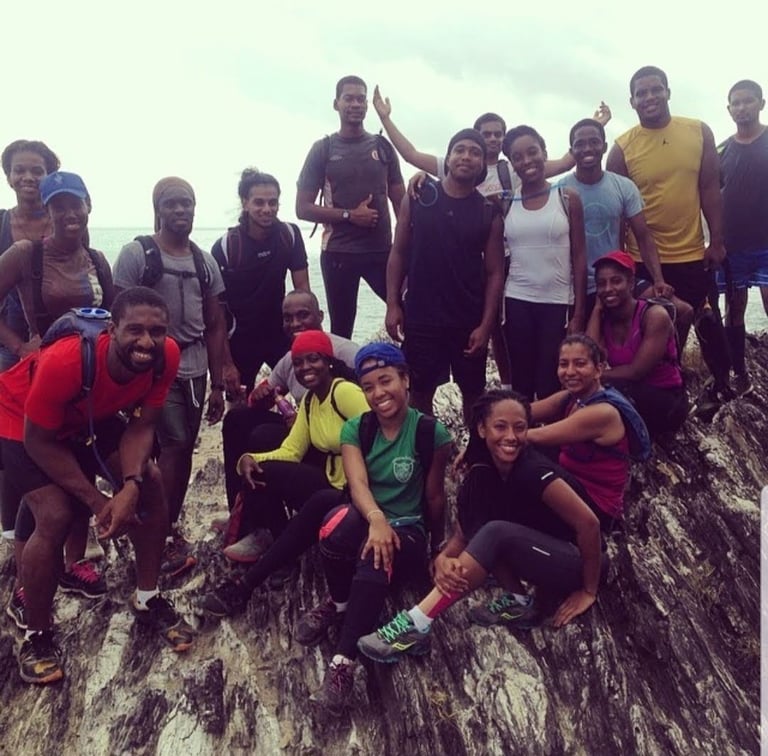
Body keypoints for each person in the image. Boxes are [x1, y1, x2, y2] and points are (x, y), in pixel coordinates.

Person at [0, 286, 195, 684]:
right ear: (112, 329)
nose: (146, 341)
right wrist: (97, 501)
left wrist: (131, 485)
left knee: (152, 481)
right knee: (54, 513)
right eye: (134, 330)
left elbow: (142, 425)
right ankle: (37, 634)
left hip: (88, 412)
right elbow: (39, 440)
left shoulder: (166, 356)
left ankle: (147, 597)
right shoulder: (66, 361)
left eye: (157, 331)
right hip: (20, 421)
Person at [356, 388, 606, 663]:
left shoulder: (532, 471)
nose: (511, 437)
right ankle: (520, 603)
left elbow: (589, 524)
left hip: (579, 561)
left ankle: (416, 624)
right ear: (482, 429)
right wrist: (444, 559)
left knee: (496, 531)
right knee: (487, 528)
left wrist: (588, 590)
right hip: (541, 552)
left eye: (520, 428)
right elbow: (467, 532)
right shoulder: (483, 471)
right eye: (500, 427)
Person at [294, 343, 452, 714]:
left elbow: (434, 498)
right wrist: (377, 520)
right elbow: (358, 484)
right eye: (369, 386)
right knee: (335, 529)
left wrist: (437, 548)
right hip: (369, 518)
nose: (379, 393)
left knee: (375, 552)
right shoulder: (357, 429)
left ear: (405, 379)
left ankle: (342, 665)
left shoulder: (431, 432)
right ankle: (340, 602)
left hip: (409, 532)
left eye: (386, 381)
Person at [0, 171, 115, 616]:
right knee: (47, 491)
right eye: (58, 206)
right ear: (46, 212)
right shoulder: (26, 255)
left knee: (79, 472)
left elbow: (113, 317)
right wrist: (17, 344)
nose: (69, 213)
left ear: (89, 205)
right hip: (38, 384)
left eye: (76, 204)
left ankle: (73, 563)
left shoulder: (98, 260)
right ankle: (30, 586)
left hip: (85, 390)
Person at [200, 329, 369, 616]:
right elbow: (291, 451)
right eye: (298, 363)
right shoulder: (312, 402)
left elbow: (377, 438)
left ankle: (248, 584)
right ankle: (272, 537)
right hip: (332, 480)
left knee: (315, 504)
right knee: (259, 471)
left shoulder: (345, 393)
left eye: (312, 360)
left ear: (328, 360)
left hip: (356, 489)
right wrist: (248, 459)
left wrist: (367, 496)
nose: (305, 369)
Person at [113, 177, 227, 578]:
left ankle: (165, 525)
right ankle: (149, 527)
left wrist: (220, 377)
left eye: (188, 204)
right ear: (159, 209)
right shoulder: (136, 254)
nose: (182, 211)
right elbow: (118, 320)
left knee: (180, 449)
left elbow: (215, 324)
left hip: (192, 368)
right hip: (148, 367)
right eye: (173, 204)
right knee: (161, 446)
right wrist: (121, 380)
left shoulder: (203, 260)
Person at [606, 66, 733, 411]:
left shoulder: (698, 132)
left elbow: (709, 188)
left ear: (667, 92)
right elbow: (616, 209)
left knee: (704, 319)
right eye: (641, 93)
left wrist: (717, 241)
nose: (649, 97)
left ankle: (721, 386)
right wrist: (618, 258)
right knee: (658, 322)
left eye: (655, 90)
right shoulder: (622, 147)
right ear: (631, 101)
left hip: (691, 252)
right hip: (641, 258)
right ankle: (663, 391)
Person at [218, 290, 360, 561]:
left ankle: (274, 533)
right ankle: (247, 520)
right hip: (302, 434)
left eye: (302, 315)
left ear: (320, 316)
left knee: (262, 436)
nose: (295, 323)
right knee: (237, 420)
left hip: (335, 451)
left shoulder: (347, 353)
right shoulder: (292, 358)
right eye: (287, 318)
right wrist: (259, 399)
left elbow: (369, 419)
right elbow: (265, 391)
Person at [385, 128, 505, 422]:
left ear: (483, 164)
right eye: (460, 150)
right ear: (448, 158)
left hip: (467, 319)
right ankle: (423, 454)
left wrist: (486, 325)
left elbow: (494, 273)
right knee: (420, 391)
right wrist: (392, 304)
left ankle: (475, 457)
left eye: (475, 152)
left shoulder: (488, 211)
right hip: (422, 316)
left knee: (473, 393)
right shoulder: (419, 196)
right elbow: (398, 252)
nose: (467, 156)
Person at [295, 75, 405, 339]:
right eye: (349, 98)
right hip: (339, 254)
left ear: (367, 105)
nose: (355, 104)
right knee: (342, 329)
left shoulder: (382, 146)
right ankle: (344, 378)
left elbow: (401, 203)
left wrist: (409, 244)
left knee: (409, 311)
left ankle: (408, 377)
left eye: (361, 99)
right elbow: (302, 208)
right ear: (336, 104)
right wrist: (349, 216)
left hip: (382, 252)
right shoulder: (323, 149)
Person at [502, 126, 587, 400]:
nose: (526, 161)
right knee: (521, 384)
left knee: (551, 382)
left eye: (532, 152)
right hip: (516, 301)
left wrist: (579, 312)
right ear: (512, 163)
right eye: (518, 156)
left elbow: (579, 257)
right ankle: (522, 440)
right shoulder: (506, 203)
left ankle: (550, 441)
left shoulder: (566, 197)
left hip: (557, 303)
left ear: (544, 153)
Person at [558, 118, 675, 315]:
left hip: (615, 281)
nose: (587, 148)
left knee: (677, 309)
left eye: (594, 142)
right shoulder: (561, 190)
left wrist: (658, 279)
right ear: (571, 152)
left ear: (603, 147)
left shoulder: (623, 186)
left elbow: (643, 236)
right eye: (580, 144)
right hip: (572, 284)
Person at [211, 168, 310, 398]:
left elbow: (303, 293)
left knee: (306, 393)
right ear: (245, 203)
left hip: (280, 333)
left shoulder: (289, 235)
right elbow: (217, 314)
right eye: (259, 202)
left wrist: (311, 340)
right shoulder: (226, 247)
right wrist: (226, 364)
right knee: (238, 407)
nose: (267, 209)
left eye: (273, 202)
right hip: (241, 339)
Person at [587, 251, 688, 436]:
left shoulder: (654, 316)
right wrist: (596, 309)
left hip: (665, 400)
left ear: (631, 283)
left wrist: (592, 377)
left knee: (597, 394)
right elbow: (588, 357)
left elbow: (636, 371)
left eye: (616, 281)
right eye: (602, 284)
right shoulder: (605, 317)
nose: (608, 288)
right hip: (628, 392)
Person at [717, 79, 768, 396]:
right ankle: (739, 373)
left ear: (761, 104)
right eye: (735, 103)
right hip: (732, 245)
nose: (741, 108)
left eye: (747, 101)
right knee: (733, 309)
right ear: (728, 108)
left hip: (767, 244)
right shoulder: (722, 150)